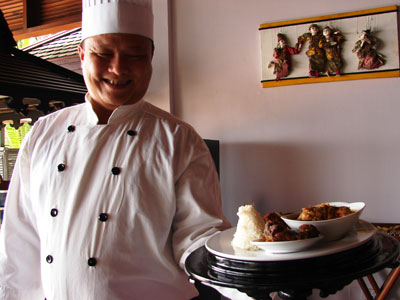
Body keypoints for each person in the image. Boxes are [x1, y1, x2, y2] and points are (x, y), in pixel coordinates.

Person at [0, 0, 230, 299]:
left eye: (134, 54)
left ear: (150, 57)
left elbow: (199, 237)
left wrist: (249, 266)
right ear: (82, 55)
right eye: (103, 53)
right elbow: (20, 238)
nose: (118, 68)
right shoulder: (43, 133)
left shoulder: (178, 139)